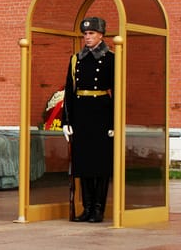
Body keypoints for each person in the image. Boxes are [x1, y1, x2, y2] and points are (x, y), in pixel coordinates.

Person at [61, 17, 114, 223]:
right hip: (81, 116)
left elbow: (117, 92)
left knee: (100, 165)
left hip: (101, 114)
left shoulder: (111, 59)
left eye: (91, 33)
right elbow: (69, 91)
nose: (88, 37)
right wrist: (66, 121)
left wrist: (113, 123)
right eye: (85, 34)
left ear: (101, 35)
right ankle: (87, 207)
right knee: (83, 165)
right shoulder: (76, 59)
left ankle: (98, 209)